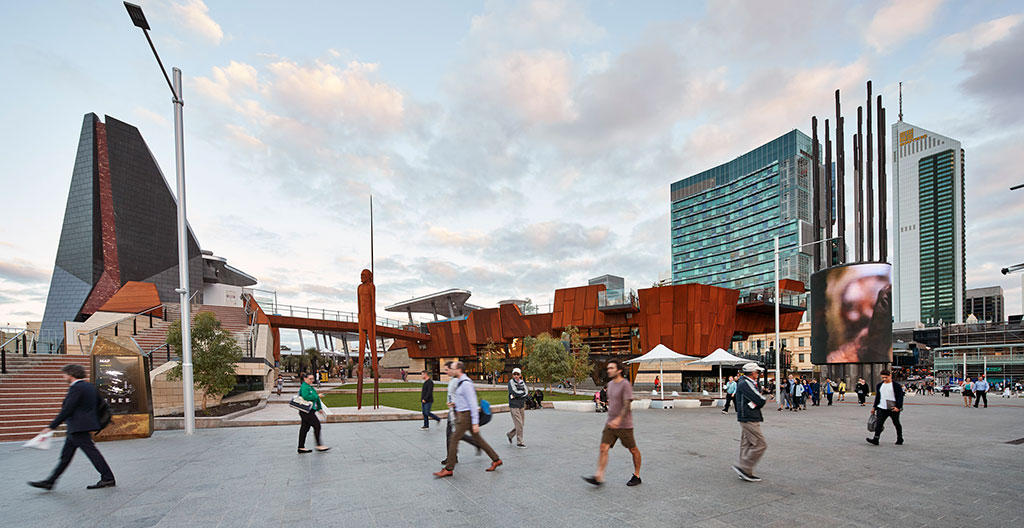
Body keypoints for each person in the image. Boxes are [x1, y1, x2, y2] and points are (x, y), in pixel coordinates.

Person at [28, 364, 115, 491]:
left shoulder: (76, 388)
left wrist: (51, 427)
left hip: (78, 426)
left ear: (70, 374)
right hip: (80, 426)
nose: (63, 376)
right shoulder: (89, 386)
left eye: (65, 374)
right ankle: (50, 481)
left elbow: (67, 409)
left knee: (91, 452)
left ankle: (108, 478)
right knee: (66, 456)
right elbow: (99, 404)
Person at [434, 362, 502, 478]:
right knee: (478, 439)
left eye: (453, 369)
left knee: (454, 439)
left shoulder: (466, 384)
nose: (451, 370)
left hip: (466, 416)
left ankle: (449, 468)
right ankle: (496, 459)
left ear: (459, 370)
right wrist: (454, 404)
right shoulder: (460, 382)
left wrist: (475, 422)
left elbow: (473, 404)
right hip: (463, 415)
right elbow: (464, 401)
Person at [583, 359, 641, 487]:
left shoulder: (625, 384)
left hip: (624, 424)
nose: (608, 370)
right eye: (608, 368)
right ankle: (599, 476)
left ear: (619, 370)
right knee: (603, 448)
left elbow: (627, 405)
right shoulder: (610, 385)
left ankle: (637, 475)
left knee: (633, 449)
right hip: (610, 423)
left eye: (611, 368)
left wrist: (619, 419)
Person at [732, 362, 767, 482]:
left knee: (746, 444)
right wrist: (760, 400)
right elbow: (760, 399)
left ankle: (745, 471)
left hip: (746, 416)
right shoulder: (746, 383)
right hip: (749, 417)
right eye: (757, 372)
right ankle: (745, 468)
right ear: (752, 373)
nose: (758, 374)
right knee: (760, 444)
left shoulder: (744, 382)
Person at [867, 369, 904, 446]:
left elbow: (900, 397)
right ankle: (876, 439)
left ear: (890, 375)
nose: (884, 379)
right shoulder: (879, 385)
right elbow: (878, 397)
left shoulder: (896, 385)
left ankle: (900, 438)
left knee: (896, 423)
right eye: (883, 377)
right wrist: (874, 407)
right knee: (879, 424)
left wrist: (898, 407)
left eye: (886, 377)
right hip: (881, 407)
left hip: (893, 408)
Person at [297, 372, 330, 453]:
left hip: (309, 410)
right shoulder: (304, 386)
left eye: (313, 379)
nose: (312, 380)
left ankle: (301, 447)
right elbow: (306, 397)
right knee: (317, 425)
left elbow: (316, 398)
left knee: (304, 428)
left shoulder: (309, 387)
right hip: (306, 411)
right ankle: (319, 445)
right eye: (310, 379)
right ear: (305, 379)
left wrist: (319, 408)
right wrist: (317, 396)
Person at [506, 367, 528, 448]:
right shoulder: (511, 382)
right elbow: (514, 392)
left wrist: (519, 395)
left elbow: (526, 392)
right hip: (514, 406)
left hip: (521, 405)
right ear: (512, 375)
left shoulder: (522, 382)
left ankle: (510, 434)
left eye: (517, 374)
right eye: (514, 374)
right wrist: (521, 394)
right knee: (519, 424)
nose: (516, 376)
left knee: (521, 424)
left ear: (520, 375)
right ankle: (520, 441)